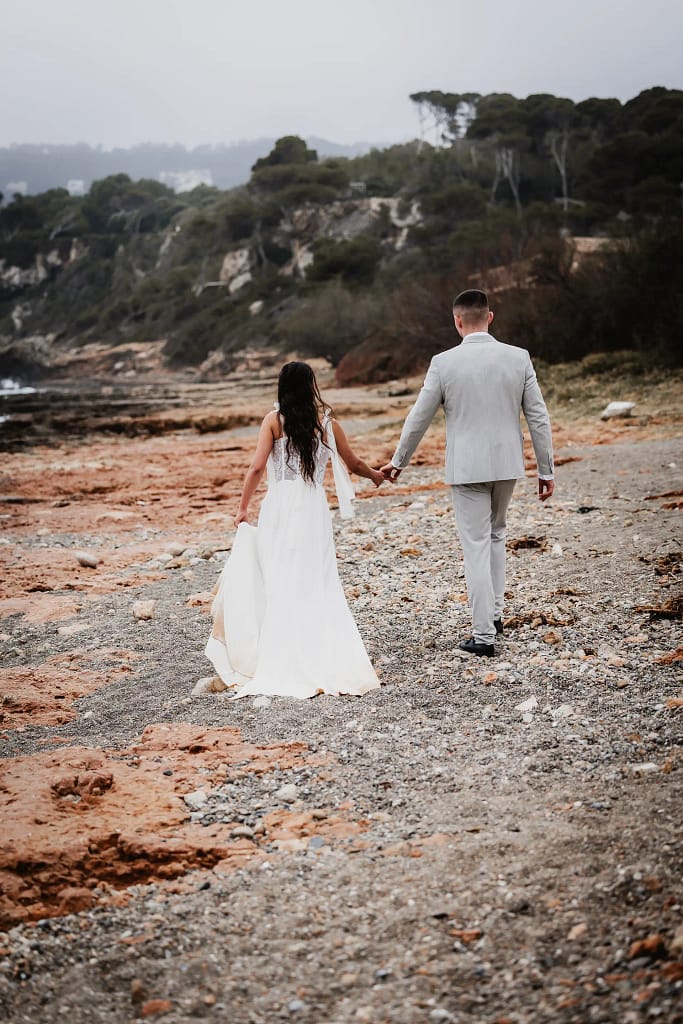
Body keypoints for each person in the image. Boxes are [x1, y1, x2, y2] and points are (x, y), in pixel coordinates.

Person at [381, 289, 554, 658]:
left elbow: (419, 417)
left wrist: (398, 461)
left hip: (467, 469)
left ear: (457, 321)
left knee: (475, 545)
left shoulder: (444, 363)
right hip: (507, 465)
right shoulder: (518, 357)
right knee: (496, 537)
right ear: (490, 317)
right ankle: (495, 616)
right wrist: (545, 468)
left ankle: (483, 636)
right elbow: (538, 416)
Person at [205, 360, 384, 698]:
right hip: (313, 508)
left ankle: (281, 651)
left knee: (280, 578)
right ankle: (322, 650)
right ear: (311, 385)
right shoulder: (327, 423)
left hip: (280, 506)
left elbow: (257, 467)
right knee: (316, 579)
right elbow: (354, 463)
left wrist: (243, 508)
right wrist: (376, 476)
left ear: (283, 387)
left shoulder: (274, 421)